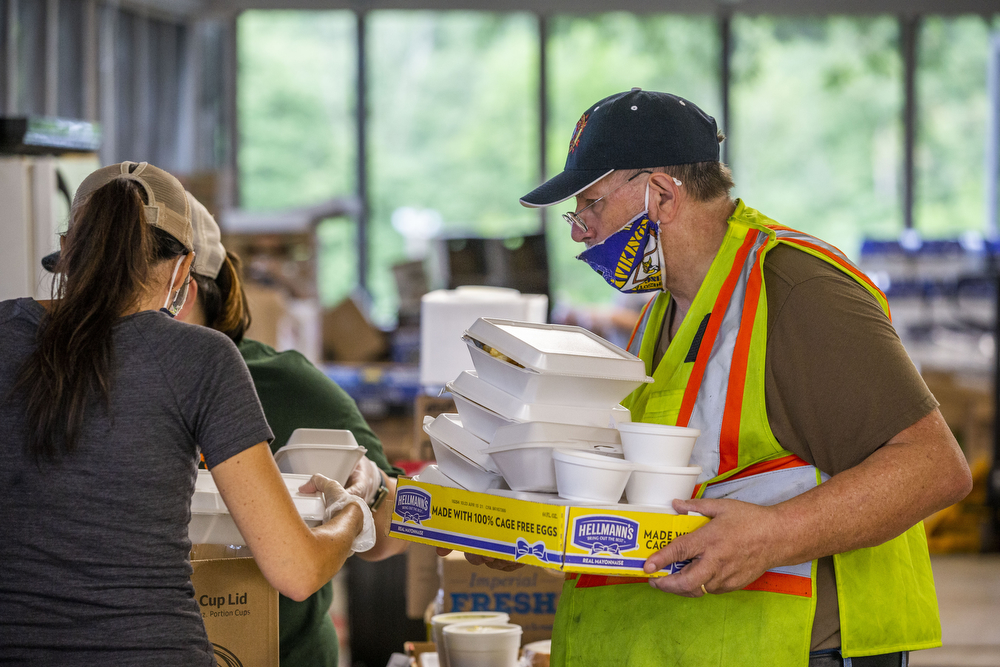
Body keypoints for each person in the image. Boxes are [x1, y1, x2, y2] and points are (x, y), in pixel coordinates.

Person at [515, 89, 972, 666]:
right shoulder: (670, 308)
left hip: (799, 647)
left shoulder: (798, 290)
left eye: (591, 206)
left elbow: (934, 468)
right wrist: (530, 527)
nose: (579, 231)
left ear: (659, 194)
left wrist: (774, 535)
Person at [0, 162, 372, 665]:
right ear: (183, 269)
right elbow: (297, 571)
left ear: (67, 250)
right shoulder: (202, 357)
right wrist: (352, 509)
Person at [175, 192, 408, 667]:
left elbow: (391, 533)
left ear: (186, 288)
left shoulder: (282, 385)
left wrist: (368, 493)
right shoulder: (76, 389)